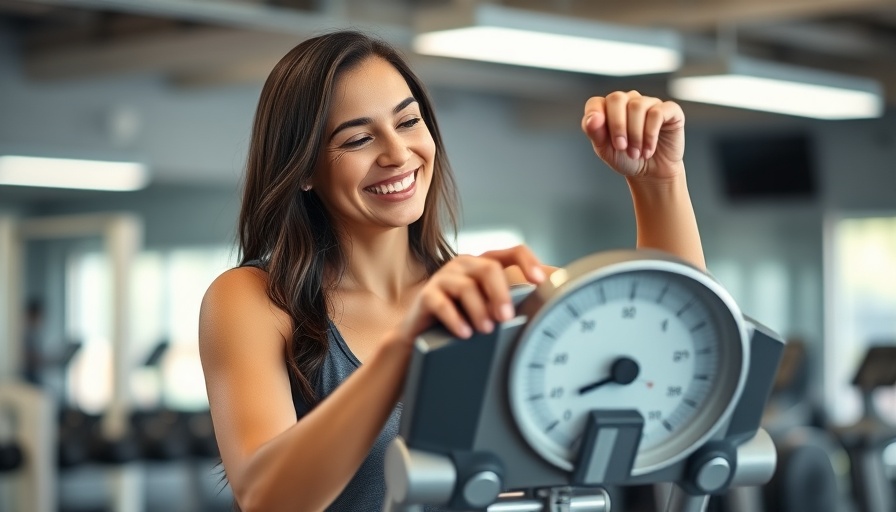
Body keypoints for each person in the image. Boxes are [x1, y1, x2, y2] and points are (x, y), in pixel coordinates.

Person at [198, 30, 705, 512]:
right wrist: (405, 348)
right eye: (357, 140)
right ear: (304, 168)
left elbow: (678, 356)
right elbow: (267, 498)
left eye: (408, 121)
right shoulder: (254, 299)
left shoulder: (494, 290)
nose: (398, 154)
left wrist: (659, 182)